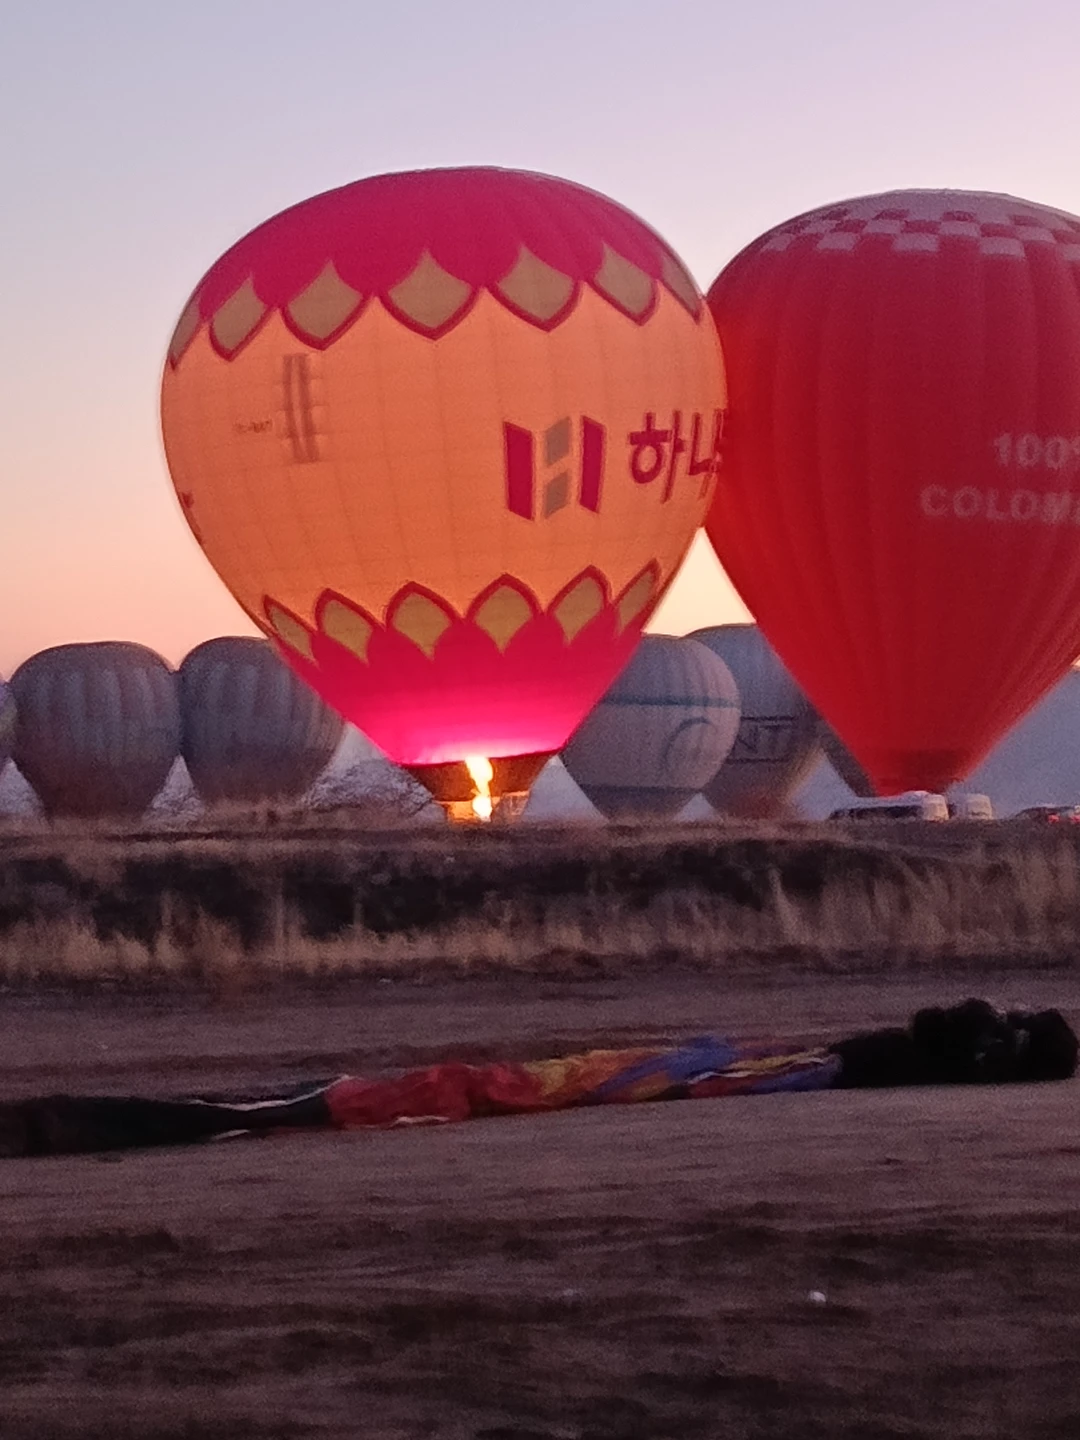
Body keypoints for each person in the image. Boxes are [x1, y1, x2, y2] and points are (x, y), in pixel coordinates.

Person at [0, 998, 1073, 1159]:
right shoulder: (835, 1073)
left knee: (261, 1114)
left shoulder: (817, 1072)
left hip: (457, 1086)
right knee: (265, 1112)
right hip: (485, 1084)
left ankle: (51, 1126)